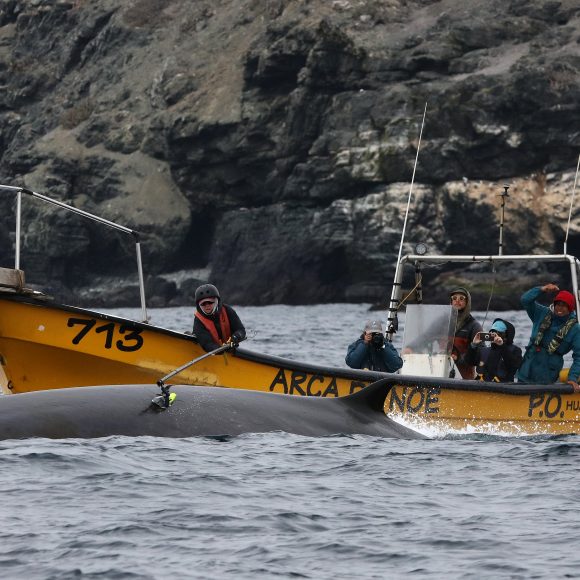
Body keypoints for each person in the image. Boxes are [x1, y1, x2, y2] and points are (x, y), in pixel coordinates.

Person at [516, 283, 580, 390]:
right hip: (527, 367)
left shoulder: (575, 329)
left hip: (547, 374)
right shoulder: (541, 313)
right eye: (558, 304)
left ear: (570, 308)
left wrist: (572, 378)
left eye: (564, 305)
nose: (560, 308)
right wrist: (541, 289)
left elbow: (579, 356)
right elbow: (525, 300)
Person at [193, 284, 246, 352]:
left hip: (230, 350)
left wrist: (237, 336)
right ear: (199, 306)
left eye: (210, 302)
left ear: (216, 301)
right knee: (194, 336)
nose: (207, 306)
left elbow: (241, 330)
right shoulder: (198, 320)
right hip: (213, 352)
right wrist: (219, 349)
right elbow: (207, 344)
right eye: (203, 304)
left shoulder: (227, 310)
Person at [449, 286, 482, 380]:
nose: (457, 301)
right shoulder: (442, 322)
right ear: (450, 302)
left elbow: (480, 354)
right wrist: (410, 347)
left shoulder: (474, 326)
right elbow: (426, 337)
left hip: (464, 378)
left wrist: (458, 359)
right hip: (440, 371)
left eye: (461, 298)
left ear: (467, 302)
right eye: (454, 298)